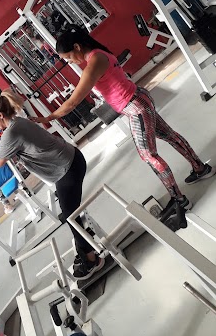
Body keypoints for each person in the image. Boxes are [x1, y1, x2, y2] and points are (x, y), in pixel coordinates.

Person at [33, 25, 214, 212]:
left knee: (148, 155)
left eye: (69, 57)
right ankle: (201, 169)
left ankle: (179, 200)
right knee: (169, 136)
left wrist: (49, 117)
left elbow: (72, 102)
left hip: (135, 108)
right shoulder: (98, 53)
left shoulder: (94, 62)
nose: (70, 61)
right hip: (138, 100)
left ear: (77, 47)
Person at [0, 96, 104, 280]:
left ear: (0, 115)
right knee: (70, 212)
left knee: (71, 218)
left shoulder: (10, 133)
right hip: (73, 158)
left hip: (66, 171)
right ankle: (86, 244)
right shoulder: (20, 121)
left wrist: (2, 146)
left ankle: (91, 259)